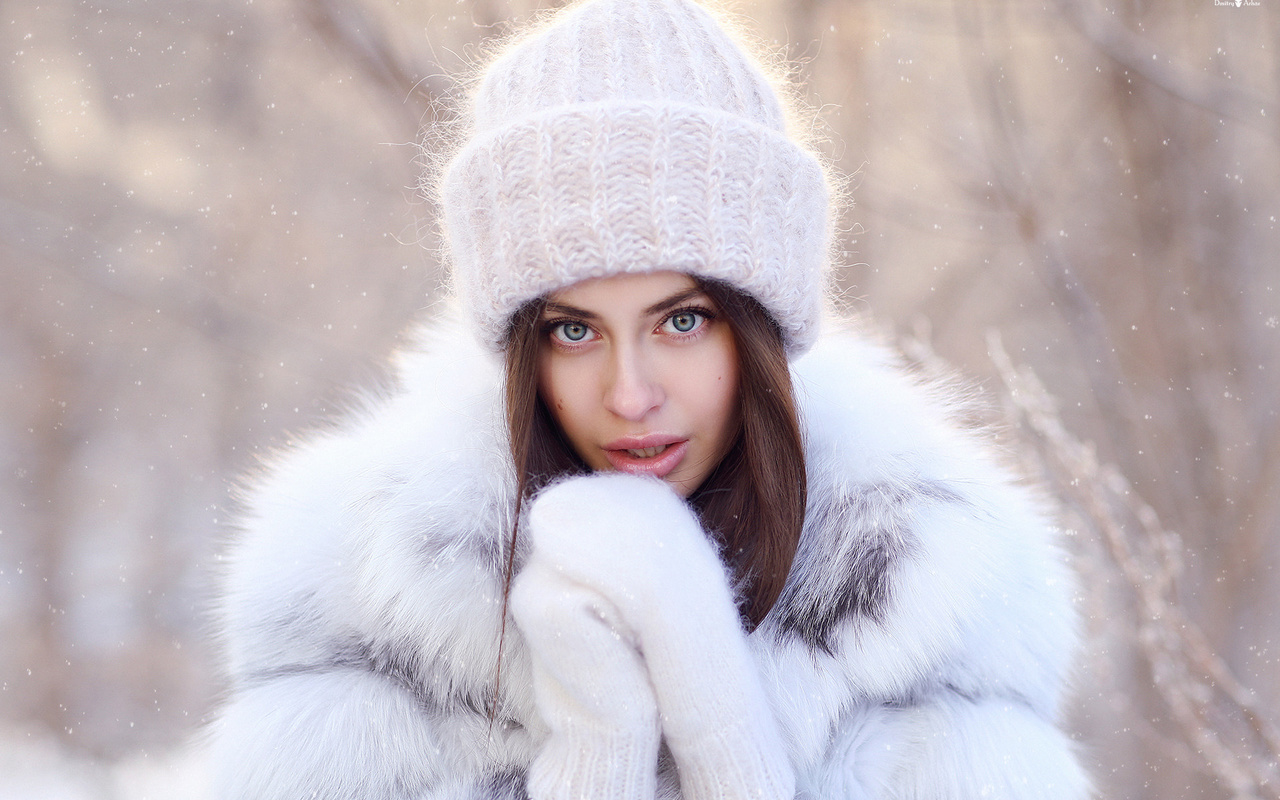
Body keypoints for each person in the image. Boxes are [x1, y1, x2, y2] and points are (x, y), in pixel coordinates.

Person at [208, 0, 1091, 797]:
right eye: (575, 331)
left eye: (682, 323)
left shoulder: (929, 615)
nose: (629, 395)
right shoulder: (363, 616)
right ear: (522, 352)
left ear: (757, 332)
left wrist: (733, 752)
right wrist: (598, 753)